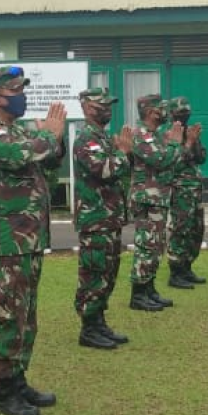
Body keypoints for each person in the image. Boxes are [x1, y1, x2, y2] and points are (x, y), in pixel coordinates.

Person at [0, 66, 66, 415]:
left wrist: (56, 139)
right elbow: (23, 155)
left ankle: (18, 379)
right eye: (15, 90)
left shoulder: (17, 130)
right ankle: (3, 391)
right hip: (4, 240)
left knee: (25, 315)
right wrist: (50, 136)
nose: (21, 95)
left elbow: (48, 159)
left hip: (27, 238)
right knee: (3, 313)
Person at [72, 87, 134, 350]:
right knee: (94, 272)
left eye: (109, 106)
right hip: (95, 218)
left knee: (108, 273)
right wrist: (123, 153)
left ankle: (98, 322)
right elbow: (106, 170)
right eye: (101, 106)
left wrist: (120, 152)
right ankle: (88, 328)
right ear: (87, 108)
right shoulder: (87, 138)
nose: (107, 110)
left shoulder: (103, 137)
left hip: (108, 218)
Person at [127, 95, 183, 311]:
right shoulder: (141, 136)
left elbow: (169, 159)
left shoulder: (155, 135)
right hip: (147, 200)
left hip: (158, 199)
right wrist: (176, 143)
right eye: (161, 109)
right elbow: (162, 160)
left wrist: (171, 145)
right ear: (151, 112)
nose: (165, 113)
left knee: (156, 246)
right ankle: (138, 294)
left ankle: (149, 289)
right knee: (146, 246)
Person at [164, 96, 208, 290]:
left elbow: (202, 158)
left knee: (196, 229)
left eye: (186, 112)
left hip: (195, 188)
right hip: (180, 189)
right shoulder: (167, 134)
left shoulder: (189, 132)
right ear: (172, 114)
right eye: (180, 113)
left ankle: (187, 267)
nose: (184, 116)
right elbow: (171, 163)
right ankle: (176, 272)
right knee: (180, 229)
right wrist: (188, 143)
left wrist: (195, 141)